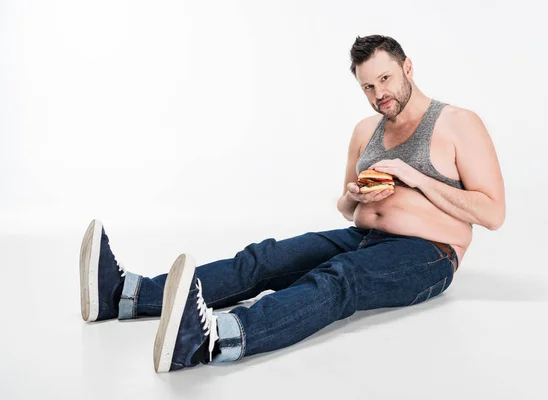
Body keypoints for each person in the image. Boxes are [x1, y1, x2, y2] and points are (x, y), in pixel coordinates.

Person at [79, 34, 505, 373]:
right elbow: (345, 206)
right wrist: (354, 196)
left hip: (429, 255)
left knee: (338, 279)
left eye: (387, 79)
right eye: (368, 87)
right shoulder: (365, 130)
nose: (380, 94)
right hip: (364, 234)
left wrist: (413, 176)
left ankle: (213, 340)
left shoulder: (456, 123)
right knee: (266, 258)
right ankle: (124, 295)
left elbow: (493, 212)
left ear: (407, 67)